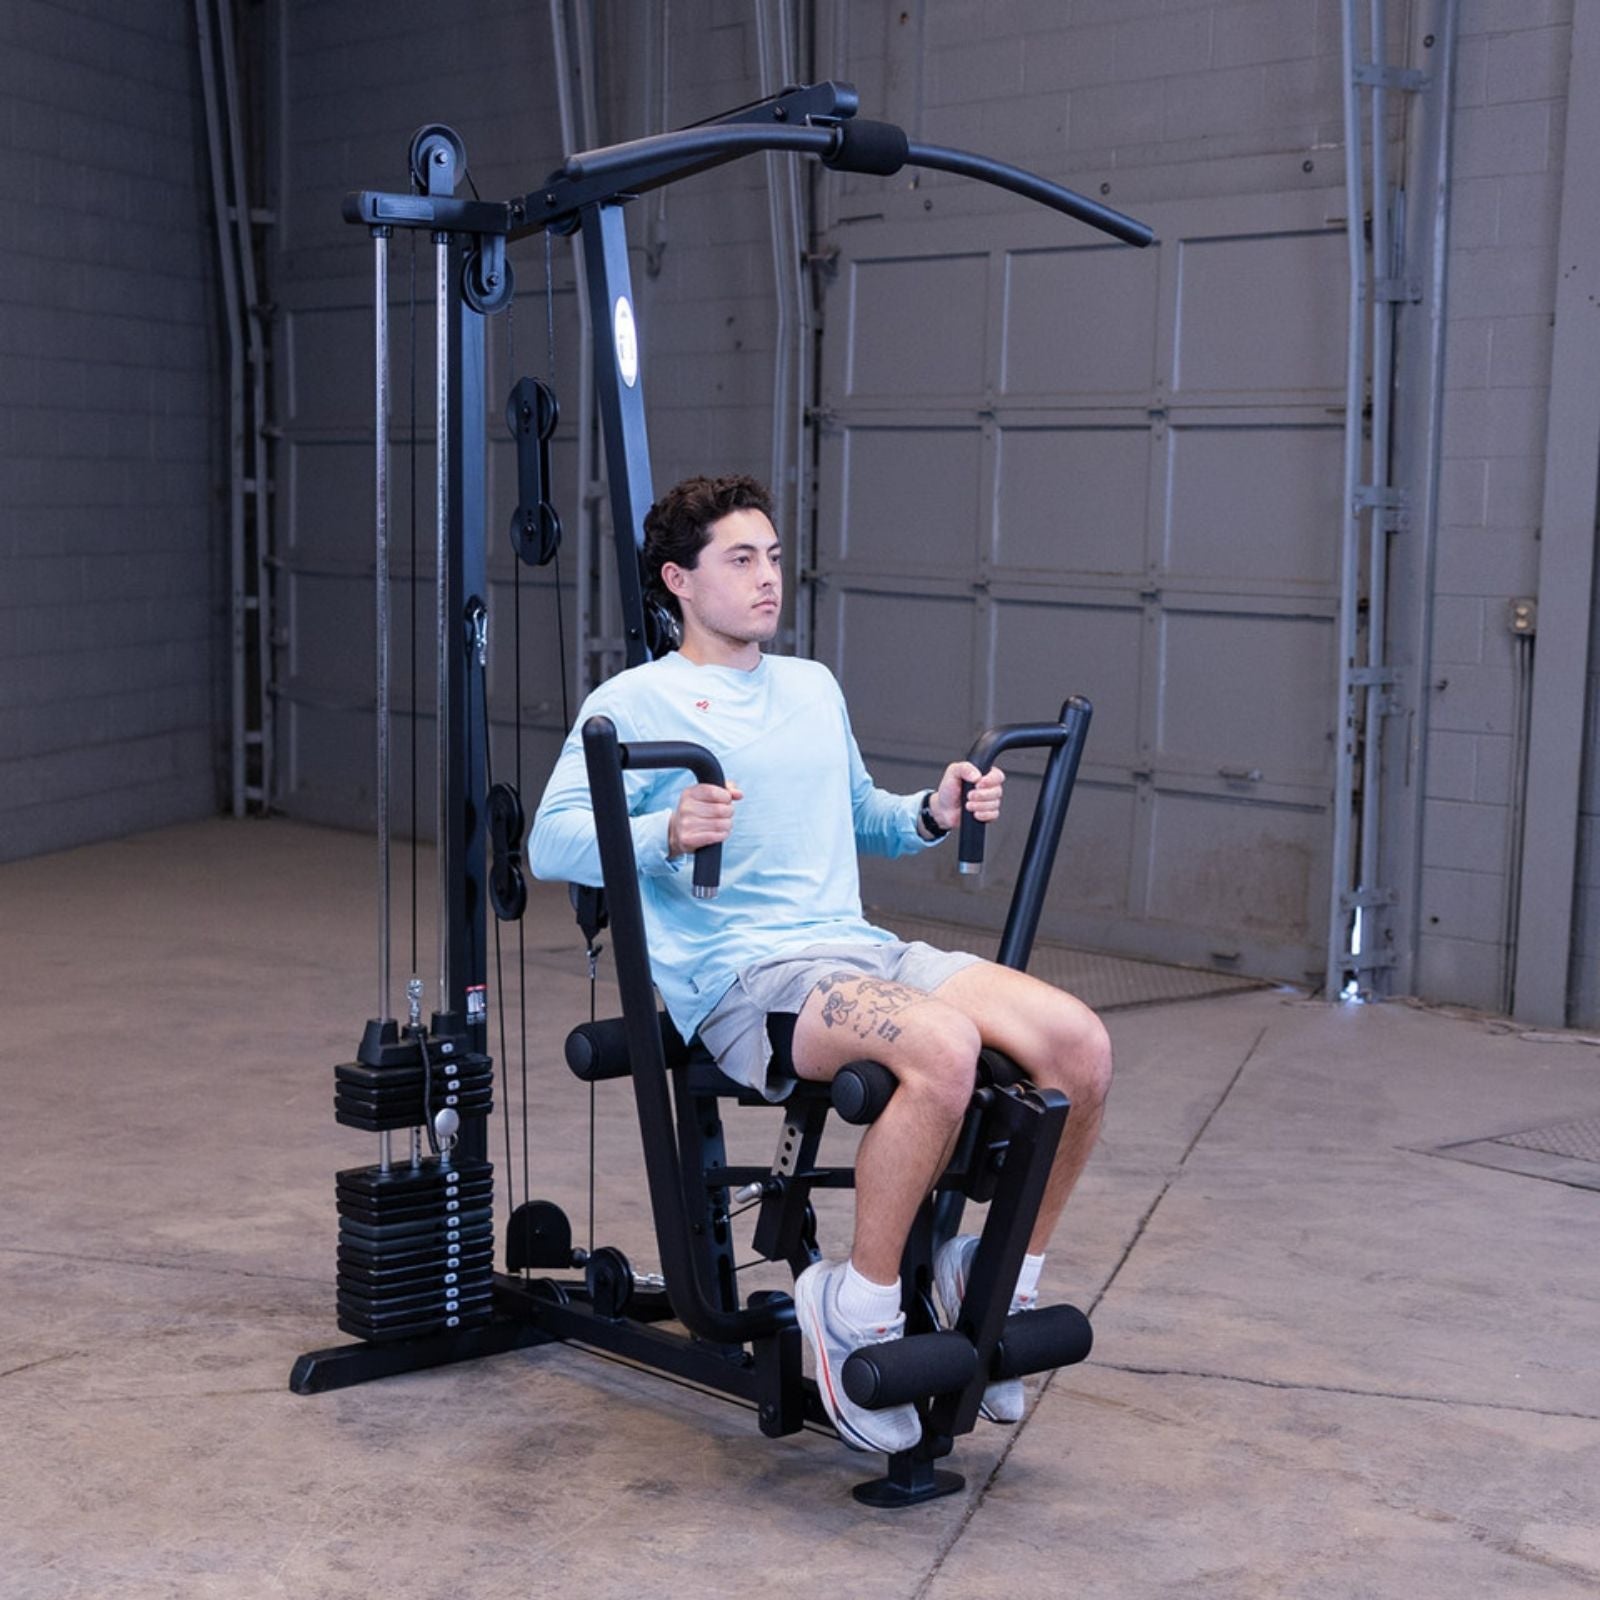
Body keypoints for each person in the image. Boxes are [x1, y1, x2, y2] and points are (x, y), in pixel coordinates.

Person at [530, 474, 1112, 1454]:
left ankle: (992, 1281)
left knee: (1079, 1046)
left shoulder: (809, 686)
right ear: (678, 579)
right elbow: (550, 842)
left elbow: (863, 819)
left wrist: (933, 808)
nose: (768, 578)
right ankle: (860, 1308)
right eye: (739, 559)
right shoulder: (632, 699)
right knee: (943, 1048)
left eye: (772, 555)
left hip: (855, 951)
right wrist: (663, 826)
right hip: (742, 977)